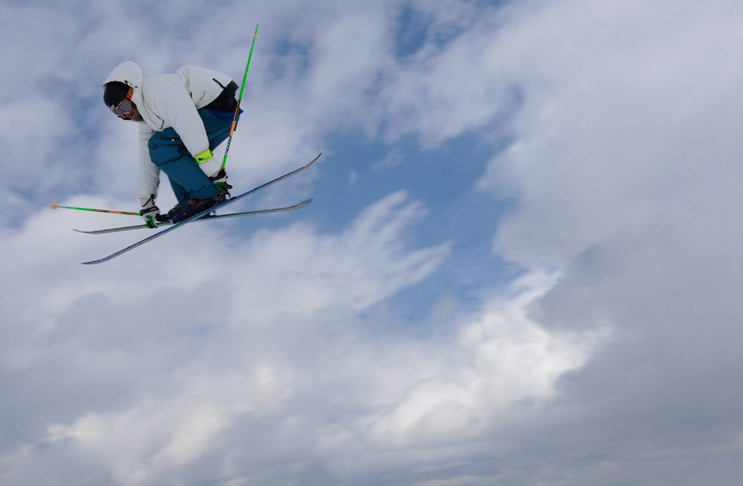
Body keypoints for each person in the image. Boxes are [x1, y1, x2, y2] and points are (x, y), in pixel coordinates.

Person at [102, 61, 241, 227]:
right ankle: (190, 202)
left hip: (216, 107)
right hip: (217, 117)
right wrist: (147, 201)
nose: (127, 115)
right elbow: (147, 157)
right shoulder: (147, 117)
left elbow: (188, 123)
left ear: (132, 92)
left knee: (161, 147)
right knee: (169, 156)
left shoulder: (158, 91)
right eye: (119, 113)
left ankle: (206, 196)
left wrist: (213, 171)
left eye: (124, 106)